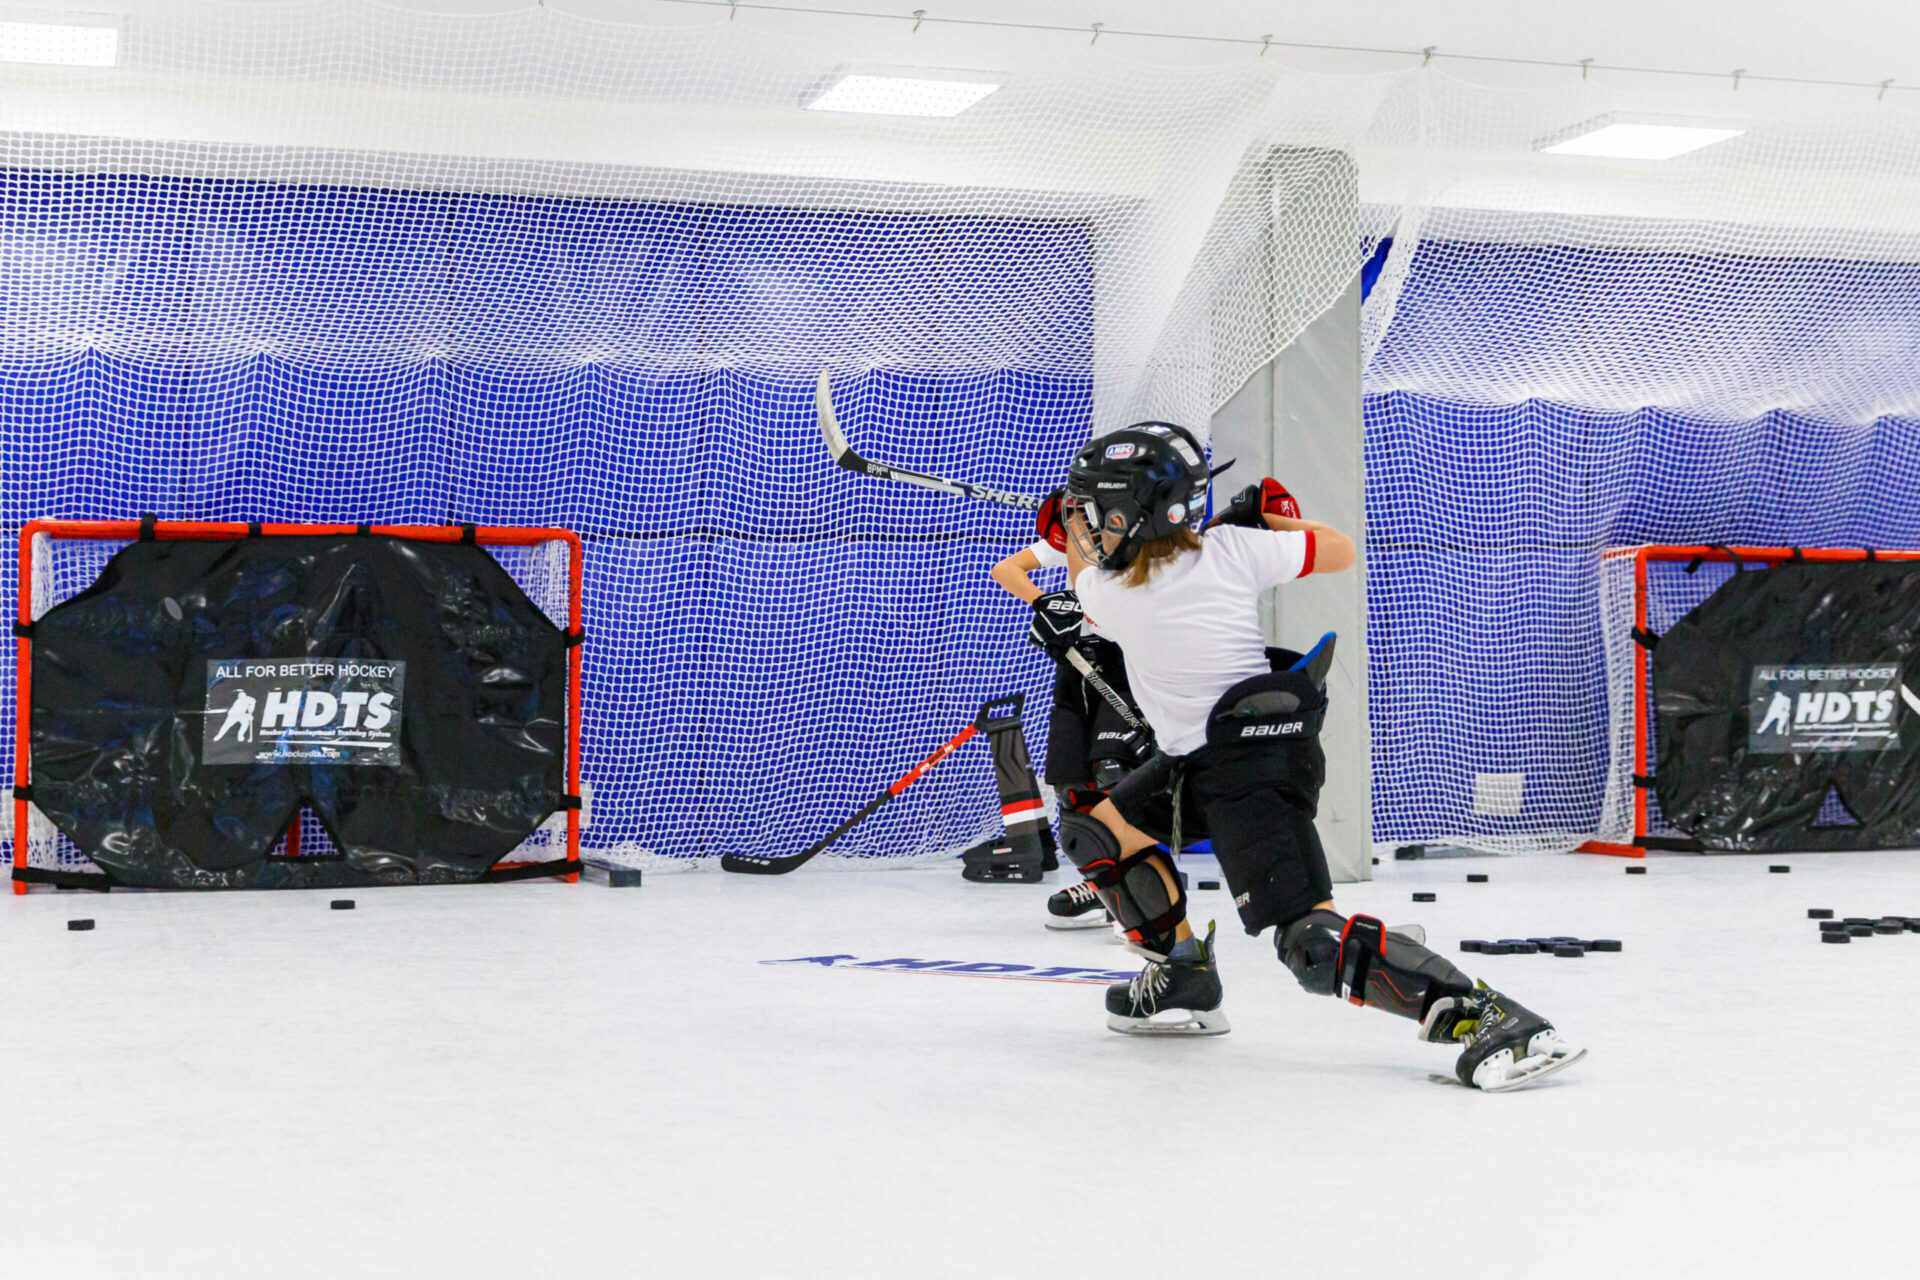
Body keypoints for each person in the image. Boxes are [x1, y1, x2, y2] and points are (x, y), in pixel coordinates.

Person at [1054, 422, 1584, 1092]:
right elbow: (1339, 549)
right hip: (1204, 762)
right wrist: (1266, 520)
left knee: (1311, 943)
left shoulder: (1114, 592)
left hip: (1246, 771)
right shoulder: (1234, 549)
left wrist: (1066, 528)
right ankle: (1184, 974)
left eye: (1098, 515)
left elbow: (1083, 576)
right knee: (1096, 828)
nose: (1089, 529)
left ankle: (1495, 1017)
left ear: (1130, 516)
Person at [989, 504, 1150, 930]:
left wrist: (1086, 610)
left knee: (1116, 775)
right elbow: (1005, 570)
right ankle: (1102, 886)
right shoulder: (1076, 540)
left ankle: (1137, 891)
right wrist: (1045, 603)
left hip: (1125, 667)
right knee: (1071, 785)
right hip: (1075, 665)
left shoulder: (1142, 541)